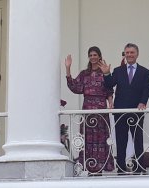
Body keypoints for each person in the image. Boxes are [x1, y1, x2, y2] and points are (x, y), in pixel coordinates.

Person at [99, 43, 149, 174]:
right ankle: (121, 168)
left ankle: (139, 168)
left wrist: (142, 102)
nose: (129, 55)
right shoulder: (118, 70)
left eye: (132, 52)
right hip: (120, 111)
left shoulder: (144, 71)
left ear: (137, 54)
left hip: (137, 111)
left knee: (138, 139)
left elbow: (146, 89)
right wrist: (106, 74)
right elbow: (110, 84)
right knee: (121, 140)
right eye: (127, 53)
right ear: (124, 54)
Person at [64, 46, 115, 175]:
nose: (93, 57)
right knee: (87, 139)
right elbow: (74, 87)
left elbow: (109, 89)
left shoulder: (104, 71)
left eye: (95, 55)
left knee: (101, 140)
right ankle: (89, 167)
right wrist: (68, 69)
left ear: (99, 56)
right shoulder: (84, 73)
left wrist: (110, 103)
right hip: (87, 110)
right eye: (90, 55)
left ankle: (100, 169)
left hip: (101, 110)